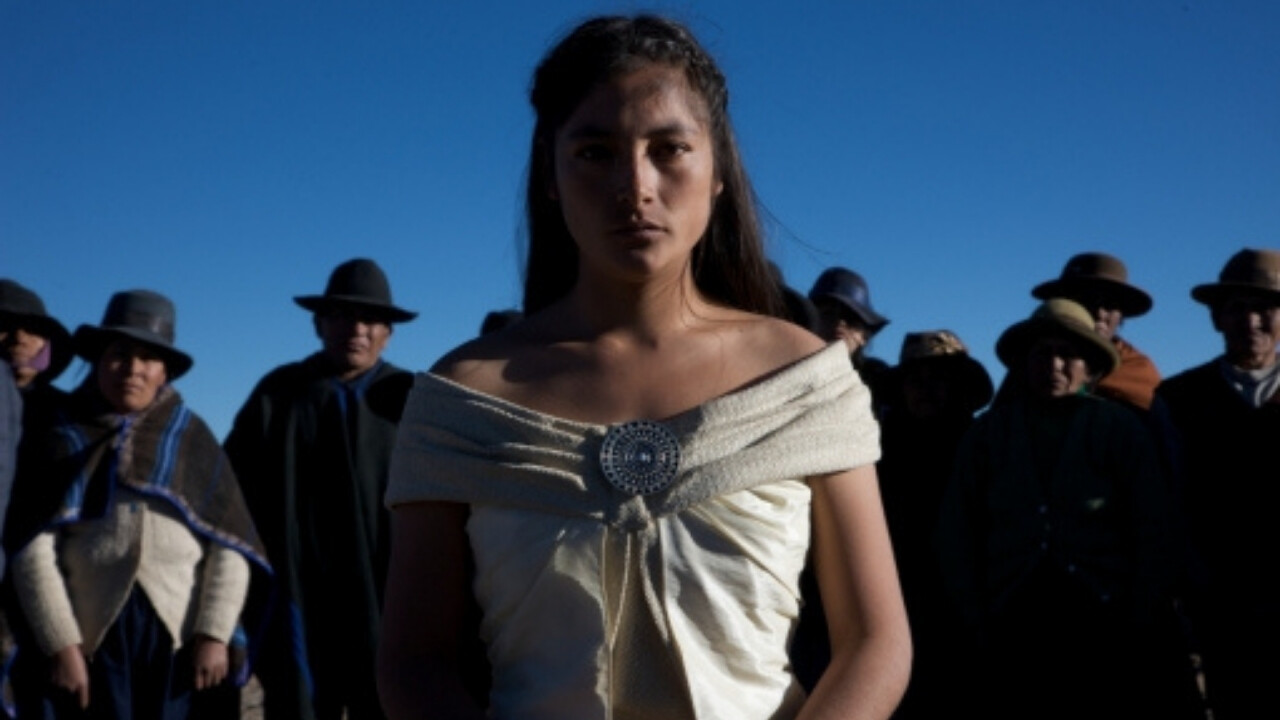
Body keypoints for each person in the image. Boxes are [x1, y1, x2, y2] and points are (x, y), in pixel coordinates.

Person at [377, 14, 911, 720]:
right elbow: (415, 664)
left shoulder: (805, 381)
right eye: (595, 152)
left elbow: (875, 643)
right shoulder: (461, 399)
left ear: (717, 171)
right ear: (550, 173)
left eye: (669, 149)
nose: (635, 186)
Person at [4, 289, 267, 719]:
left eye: (148, 358)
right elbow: (31, 548)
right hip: (91, 643)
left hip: (181, 643)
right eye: (118, 355)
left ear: (165, 372)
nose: (132, 369)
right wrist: (62, 644)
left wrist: (215, 633)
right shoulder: (60, 437)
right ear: (98, 360)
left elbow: (229, 545)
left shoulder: (192, 439)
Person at [938, 298, 1194, 720]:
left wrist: (1139, 610)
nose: (1054, 365)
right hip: (1012, 616)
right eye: (1042, 353)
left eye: (1068, 354)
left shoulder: (1119, 429)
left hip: (1102, 615)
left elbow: (1153, 527)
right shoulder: (988, 435)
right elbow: (957, 531)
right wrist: (974, 613)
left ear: (1089, 366)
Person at [225, 258, 417, 720]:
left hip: (388, 597)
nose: (357, 329)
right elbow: (230, 498)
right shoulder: (278, 395)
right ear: (318, 324)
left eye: (371, 319)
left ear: (388, 333)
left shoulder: (409, 399)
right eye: (342, 315)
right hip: (298, 597)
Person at [1157, 247, 1280, 719]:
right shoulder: (1178, 398)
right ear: (1216, 319)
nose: (1251, 321)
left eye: (1264, 308)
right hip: (1218, 602)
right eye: (1236, 308)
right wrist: (1192, 584)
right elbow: (1168, 501)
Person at [875, 330, 992, 720]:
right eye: (915, 379)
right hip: (892, 612)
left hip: (968, 618)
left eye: (939, 378)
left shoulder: (984, 448)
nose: (926, 390)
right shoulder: (875, 452)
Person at [1030, 252, 1161, 410]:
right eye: (1088, 300)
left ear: (1121, 315)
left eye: (1110, 304)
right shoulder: (1032, 363)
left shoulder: (1137, 371)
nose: (1100, 313)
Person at [807, 266, 891, 410]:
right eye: (828, 314)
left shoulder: (881, 386)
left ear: (864, 336)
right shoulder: (783, 372)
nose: (840, 323)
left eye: (851, 318)